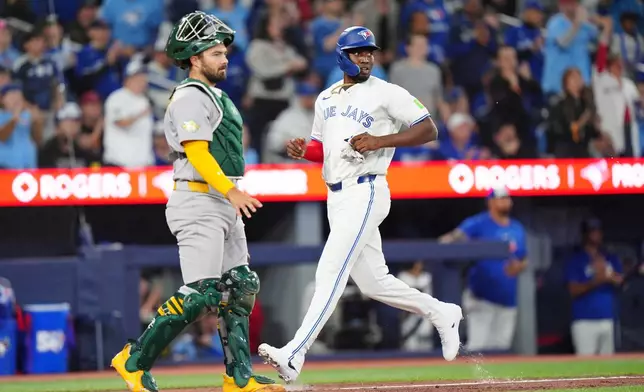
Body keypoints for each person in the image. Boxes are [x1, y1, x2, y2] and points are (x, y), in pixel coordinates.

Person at [257, 26, 463, 383]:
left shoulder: (386, 92)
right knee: (374, 283)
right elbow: (326, 149)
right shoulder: (326, 98)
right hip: (335, 195)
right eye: (357, 52)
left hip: (366, 189)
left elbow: (428, 129)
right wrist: (305, 151)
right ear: (342, 56)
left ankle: (295, 352)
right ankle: (441, 311)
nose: (366, 56)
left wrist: (380, 139)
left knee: (330, 271)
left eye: (369, 51)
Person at [110, 12, 283, 392]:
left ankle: (238, 377)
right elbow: (198, 152)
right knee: (201, 293)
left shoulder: (215, 94)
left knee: (240, 286)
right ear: (194, 57)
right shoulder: (189, 95)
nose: (224, 58)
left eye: (224, 52)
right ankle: (134, 360)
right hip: (199, 199)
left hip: (222, 201)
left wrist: (230, 194)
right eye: (216, 52)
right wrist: (231, 191)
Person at [439, 187, 527, 351]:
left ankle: (494, 379)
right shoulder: (478, 224)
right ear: (490, 202)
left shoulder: (517, 228)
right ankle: (469, 378)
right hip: (481, 298)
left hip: (508, 299)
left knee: (502, 349)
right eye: (500, 198)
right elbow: (450, 240)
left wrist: (519, 266)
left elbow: (524, 258)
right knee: (478, 347)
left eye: (507, 198)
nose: (505, 201)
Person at [565, 218, 623, 356]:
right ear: (585, 234)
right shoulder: (576, 259)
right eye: (592, 231)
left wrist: (610, 276)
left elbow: (620, 281)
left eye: (598, 231)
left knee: (609, 368)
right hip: (584, 321)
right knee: (585, 367)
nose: (596, 234)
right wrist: (596, 281)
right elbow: (573, 290)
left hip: (607, 318)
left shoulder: (609, 257)